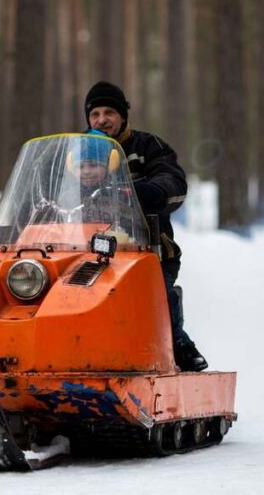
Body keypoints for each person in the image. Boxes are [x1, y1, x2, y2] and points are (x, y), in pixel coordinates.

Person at [84, 80, 208, 371]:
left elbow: (174, 183)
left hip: (149, 252)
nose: (102, 120)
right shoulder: (82, 152)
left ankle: (177, 342)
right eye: (95, 114)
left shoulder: (147, 147)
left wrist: (152, 192)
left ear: (123, 115)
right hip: (86, 251)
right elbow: (53, 193)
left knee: (151, 297)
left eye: (108, 113)